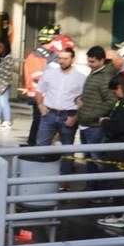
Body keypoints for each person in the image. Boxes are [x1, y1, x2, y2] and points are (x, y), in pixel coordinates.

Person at [97, 74, 124, 228]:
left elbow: (116, 128)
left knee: (119, 183)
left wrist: (105, 122)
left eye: (114, 92)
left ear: (119, 87)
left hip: (122, 149)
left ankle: (118, 216)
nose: (115, 96)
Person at [35, 48, 86, 185]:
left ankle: (63, 181)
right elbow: (39, 90)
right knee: (40, 146)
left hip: (68, 116)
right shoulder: (50, 73)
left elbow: (84, 100)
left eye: (65, 58)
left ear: (73, 59)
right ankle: (39, 178)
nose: (61, 61)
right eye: (60, 58)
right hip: (48, 114)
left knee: (68, 150)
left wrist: (75, 117)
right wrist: (40, 105)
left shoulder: (80, 78)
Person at [21, 28, 75, 146]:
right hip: (40, 96)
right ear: (52, 40)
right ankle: (34, 147)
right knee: (39, 122)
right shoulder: (37, 55)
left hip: (47, 96)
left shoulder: (50, 56)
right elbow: (38, 78)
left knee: (43, 123)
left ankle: (38, 146)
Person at [78, 46, 117, 192]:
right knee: (89, 158)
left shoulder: (105, 77)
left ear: (102, 60)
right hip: (87, 123)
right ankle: (91, 187)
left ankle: (104, 189)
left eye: (92, 61)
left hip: (95, 125)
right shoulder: (95, 72)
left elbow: (111, 101)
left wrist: (94, 114)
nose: (89, 64)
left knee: (97, 159)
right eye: (88, 61)